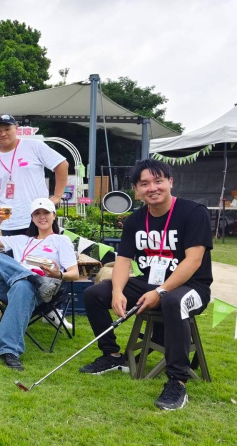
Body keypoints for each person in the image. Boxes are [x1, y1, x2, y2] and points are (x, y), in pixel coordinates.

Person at [79, 159, 212, 411]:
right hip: (150, 283)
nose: (152, 188)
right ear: (137, 190)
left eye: (158, 181)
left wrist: (161, 292)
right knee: (94, 293)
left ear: (170, 182)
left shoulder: (194, 212)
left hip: (192, 287)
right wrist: (117, 290)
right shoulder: (135, 221)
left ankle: (177, 382)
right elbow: (122, 261)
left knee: (172, 300)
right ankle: (112, 356)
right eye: (144, 183)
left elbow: (193, 261)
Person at [0, 198, 78, 370]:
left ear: (54, 216)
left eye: (46, 213)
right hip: (12, 285)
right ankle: (29, 277)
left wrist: (58, 274)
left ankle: (9, 352)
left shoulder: (61, 241)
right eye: (37, 214)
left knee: (23, 287)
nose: (42, 217)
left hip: (41, 292)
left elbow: (74, 274)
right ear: (32, 218)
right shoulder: (22, 240)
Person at [0, 114, 68, 236]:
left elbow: (62, 164)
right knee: (11, 255)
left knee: (39, 255)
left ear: (16, 128)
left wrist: (57, 196)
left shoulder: (33, 146)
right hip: (10, 223)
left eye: (7, 129)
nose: (3, 134)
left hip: (39, 220)